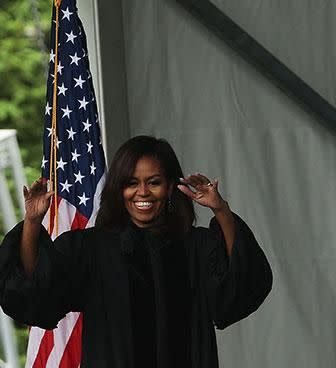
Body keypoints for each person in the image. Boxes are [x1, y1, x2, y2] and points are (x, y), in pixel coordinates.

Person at [0, 135, 272, 368]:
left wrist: (220, 208)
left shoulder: (194, 247)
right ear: (119, 189)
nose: (142, 192)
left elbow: (239, 287)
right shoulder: (90, 249)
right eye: (131, 183)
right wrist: (33, 222)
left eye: (153, 182)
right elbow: (36, 292)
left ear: (169, 188)